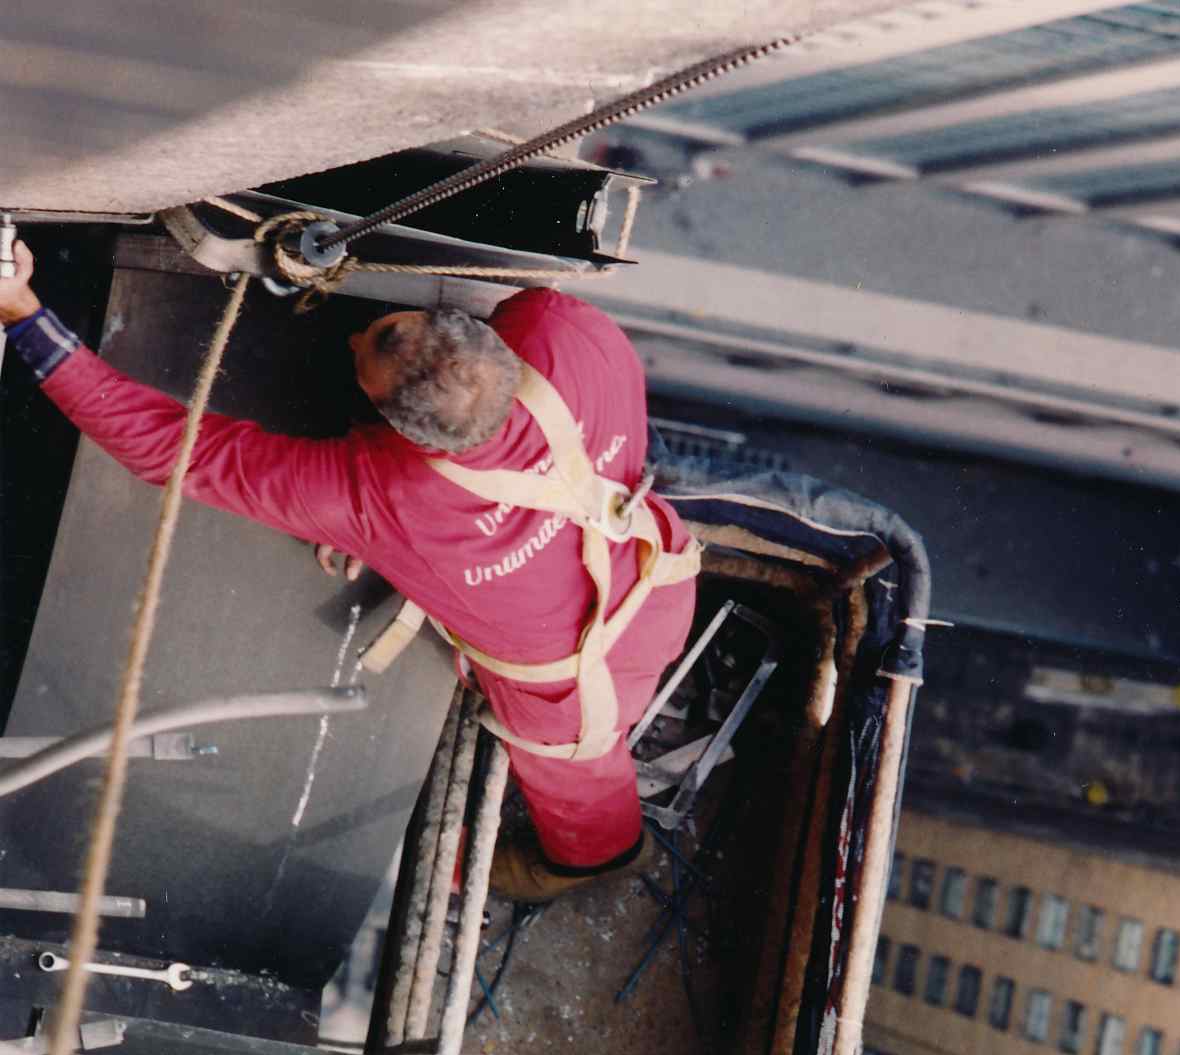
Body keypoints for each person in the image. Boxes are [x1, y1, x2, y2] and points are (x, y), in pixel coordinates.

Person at [0, 239, 700, 902]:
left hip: (576, 688)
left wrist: (22, 316)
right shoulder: (560, 327)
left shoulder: (378, 494)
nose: (350, 338)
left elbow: (167, 449)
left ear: (404, 436)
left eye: (362, 359)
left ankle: (593, 863)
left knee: (583, 794)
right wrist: (403, 544)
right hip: (657, 577)